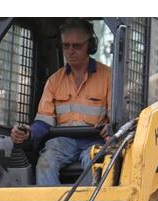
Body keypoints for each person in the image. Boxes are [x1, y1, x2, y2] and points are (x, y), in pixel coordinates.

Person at [11, 18, 112, 185]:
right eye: (66, 45)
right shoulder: (54, 81)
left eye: (77, 46)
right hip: (64, 141)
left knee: (94, 163)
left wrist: (110, 128)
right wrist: (29, 133)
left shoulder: (108, 77)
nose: (70, 51)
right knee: (46, 160)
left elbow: (116, 119)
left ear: (90, 45)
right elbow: (44, 122)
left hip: (95, 140)